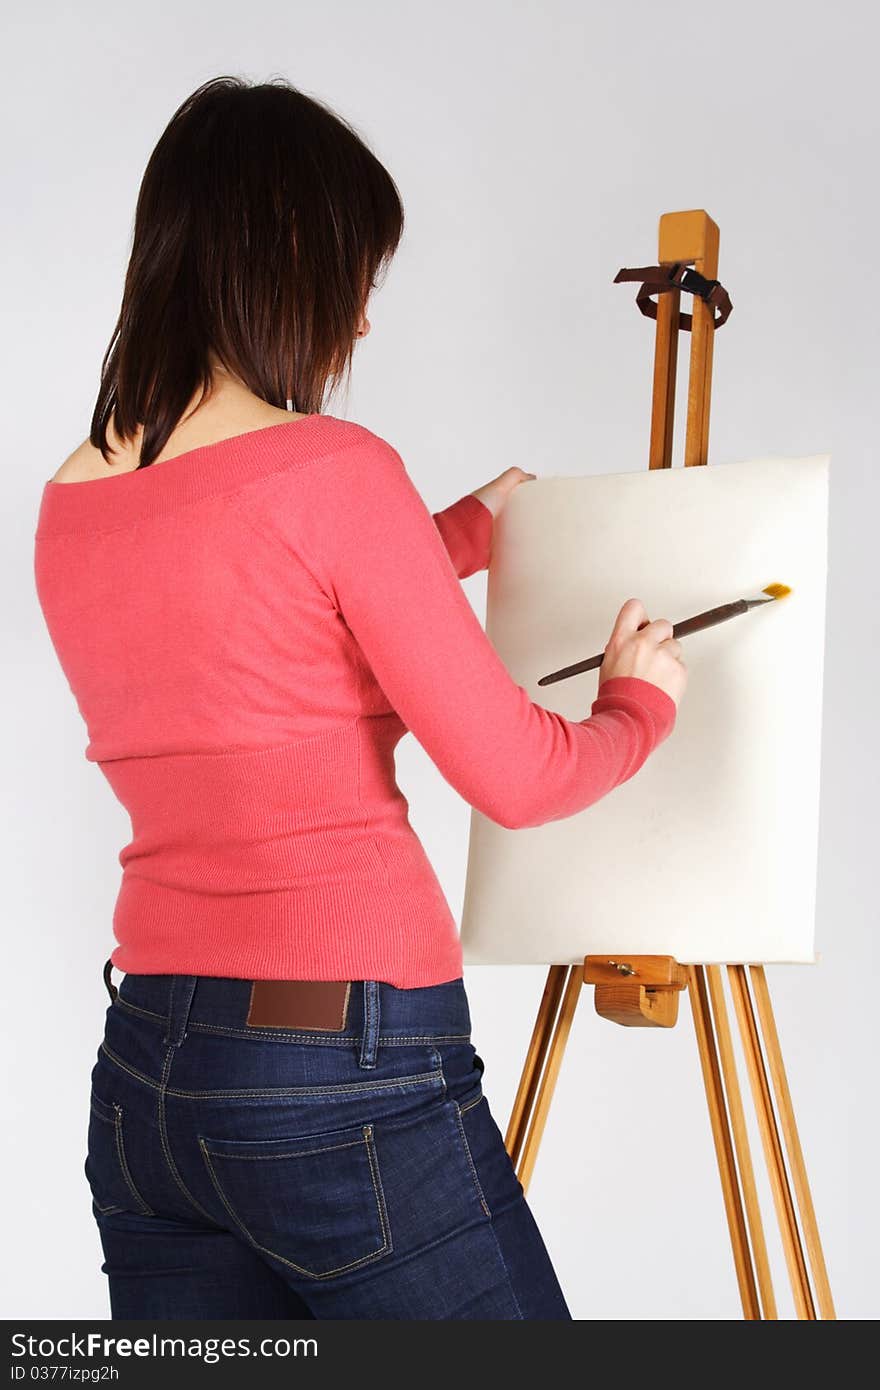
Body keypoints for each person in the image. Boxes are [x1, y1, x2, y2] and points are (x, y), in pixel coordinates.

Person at [32, 75, 687, 1321]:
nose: (361, 324)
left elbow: (254, 628)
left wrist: (452, 531)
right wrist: (633, 705)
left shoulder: (73, 504)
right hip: (340, 1075)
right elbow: (523, 774)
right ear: (286, 248)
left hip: (149, 1086)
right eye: (356, 279)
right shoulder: (332, 471)